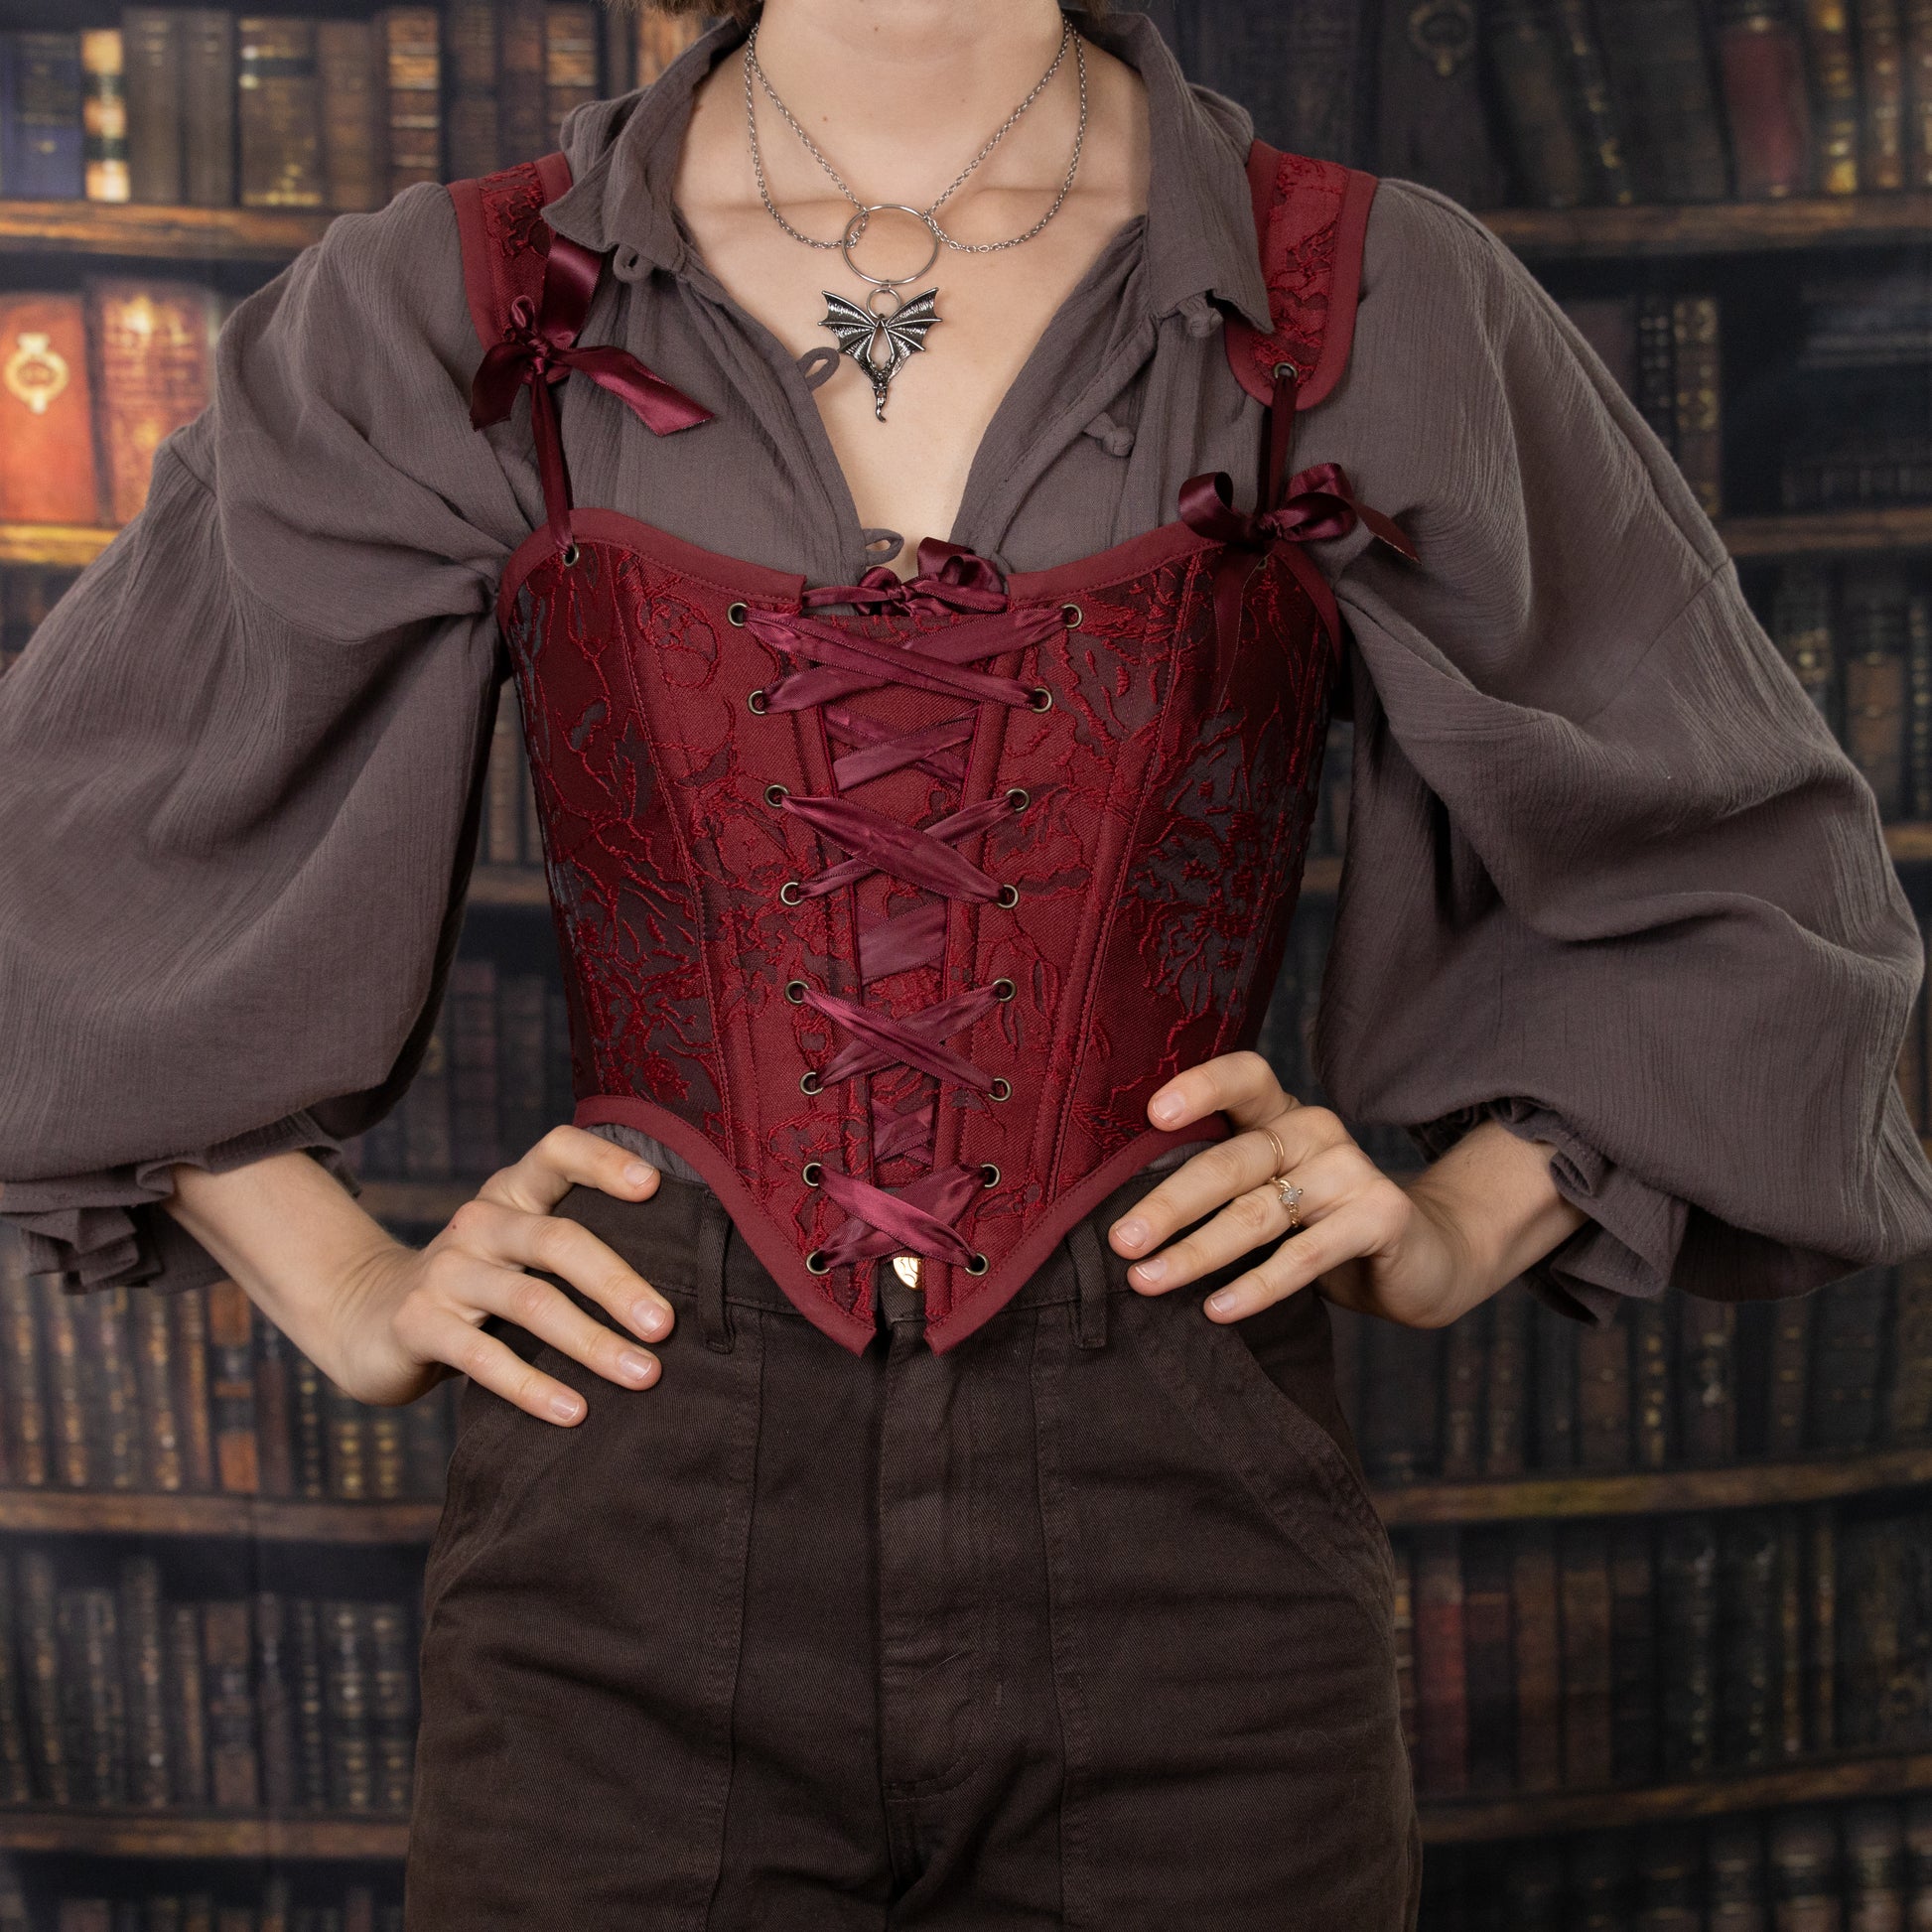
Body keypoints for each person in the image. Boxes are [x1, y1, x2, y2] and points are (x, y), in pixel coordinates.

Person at [0, 2, 1925, 1925]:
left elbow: (1749, 865)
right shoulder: (456, 303)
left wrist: (1452, 1226)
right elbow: (65, 868)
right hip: (630, 1511)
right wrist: (345, 1283)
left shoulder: (1369, 290)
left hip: (1186, 1523)